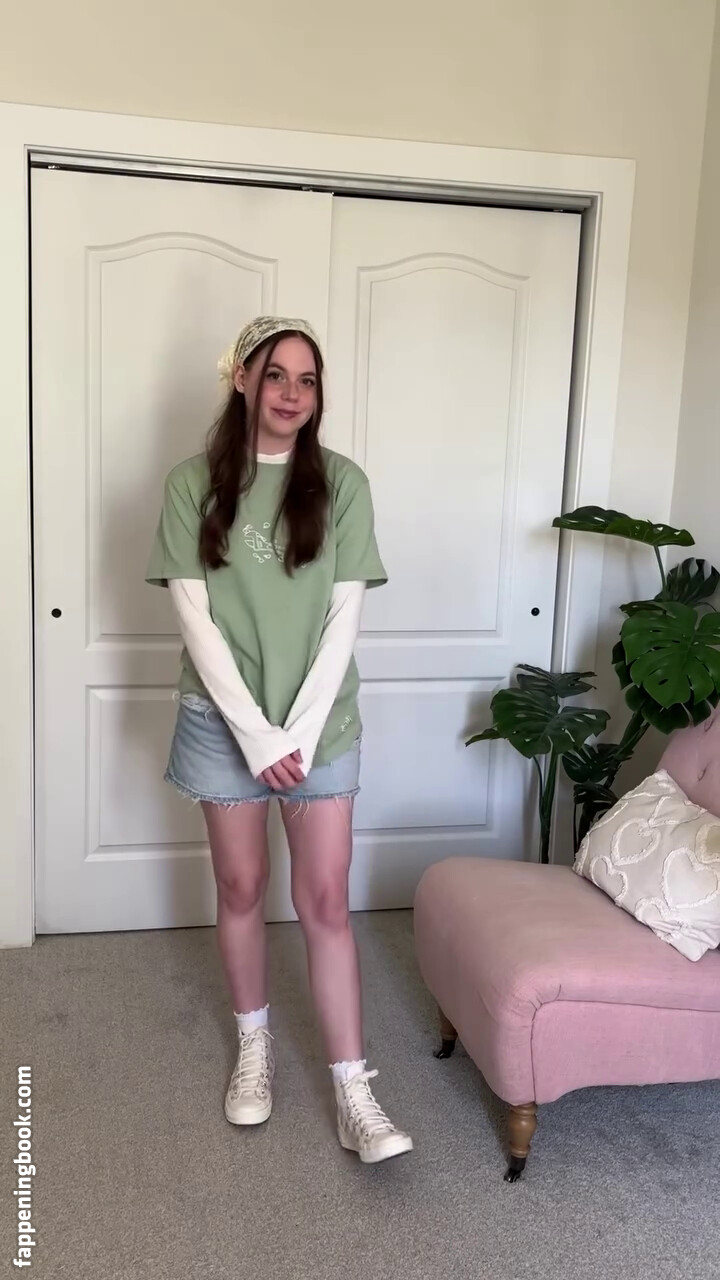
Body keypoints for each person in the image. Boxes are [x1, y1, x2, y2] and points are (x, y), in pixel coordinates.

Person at [146, 315, 413, 1164]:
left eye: (307, 379)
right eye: (275, 375)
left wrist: (294, 732)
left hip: (319, 723)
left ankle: (352, 1090)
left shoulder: (343, 484)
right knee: (241, 886)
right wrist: (257, 736)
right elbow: (195, 619)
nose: (293, 393)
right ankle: (253, 1047)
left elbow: (343, 618)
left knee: (326, 901)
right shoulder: (192, 484)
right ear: (241, 380)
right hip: (223, 724)